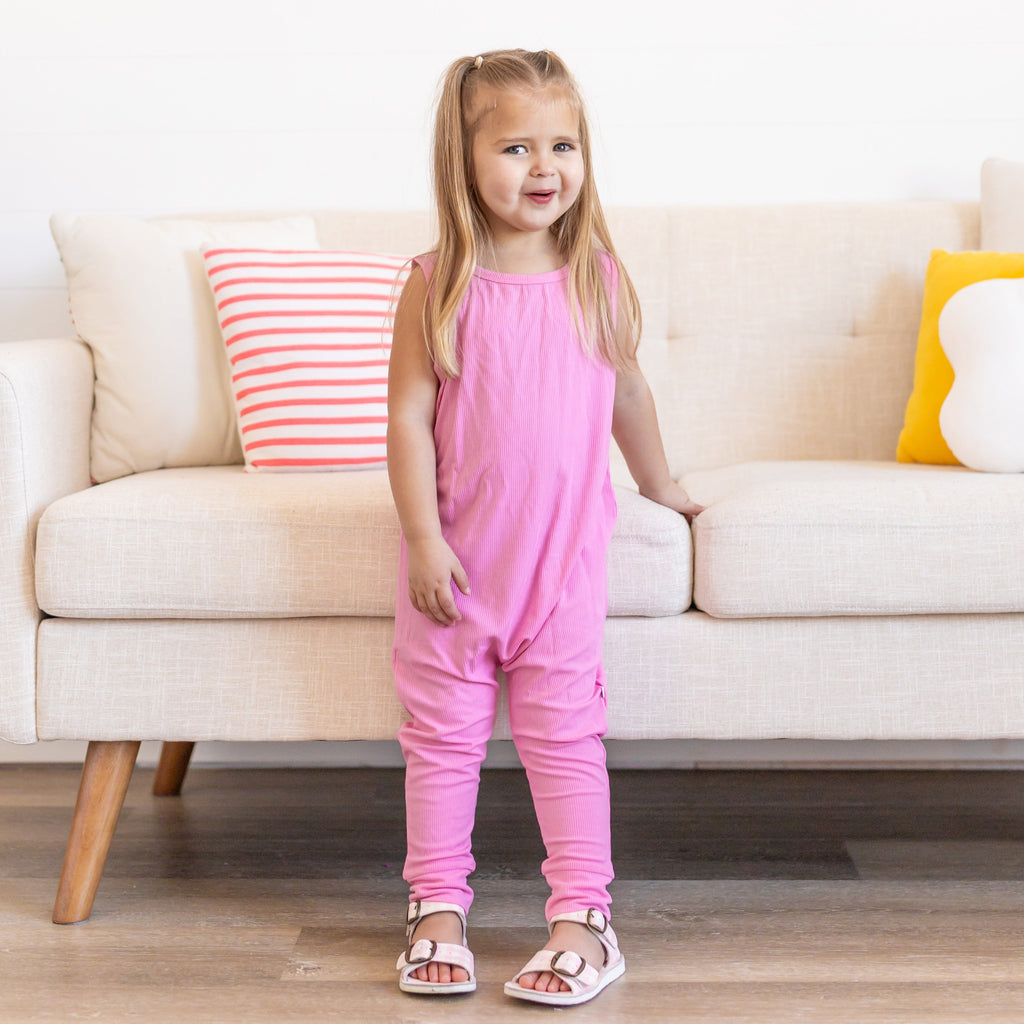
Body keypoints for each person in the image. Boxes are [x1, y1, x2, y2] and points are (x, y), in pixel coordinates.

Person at [387, 48, 702, 1007]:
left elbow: (629, 393)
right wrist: (424, 542)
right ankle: (436, 907)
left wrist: (661, 483)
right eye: (515, 146)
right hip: (455, 570)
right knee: (440, 742)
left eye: (560, 144)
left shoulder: (595, 275)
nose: (543, 167)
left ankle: (584, 920)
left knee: (565, 741)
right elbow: (403, 419)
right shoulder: (436, 282)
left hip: (561, 573)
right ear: (464, 160)